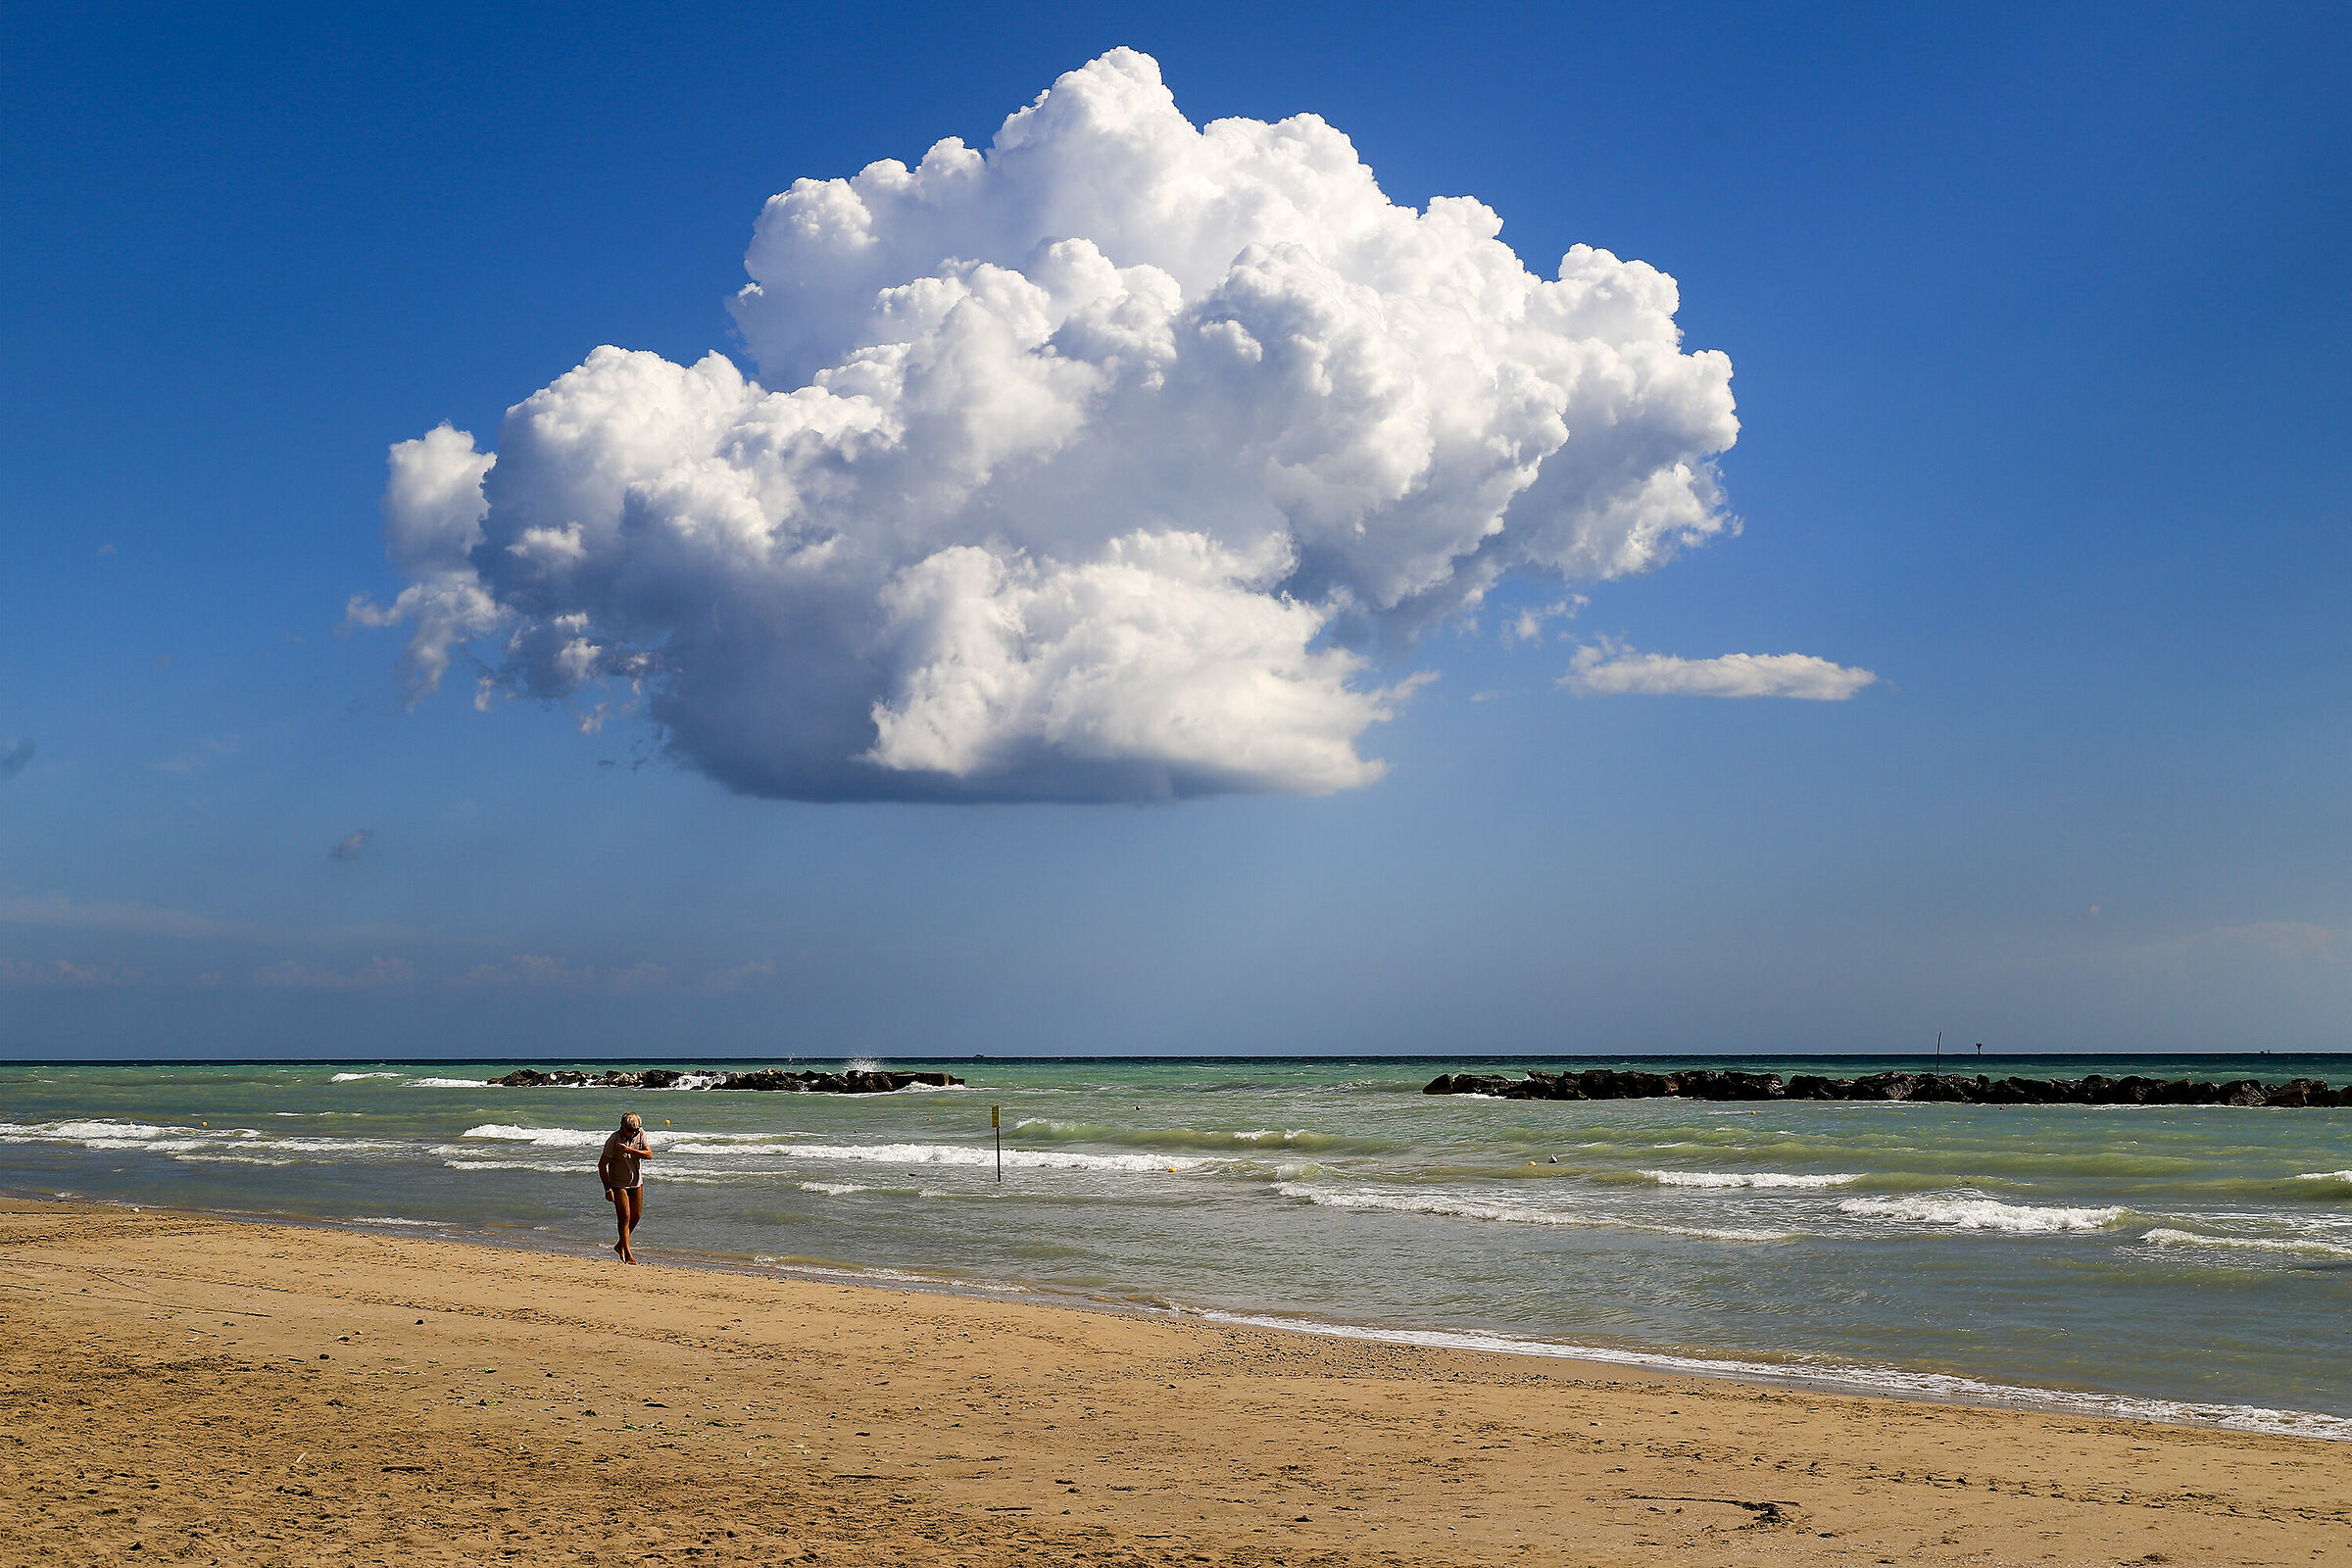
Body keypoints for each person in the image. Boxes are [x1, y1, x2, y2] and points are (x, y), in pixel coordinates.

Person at [598, 1111, 655, 1263]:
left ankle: (620, 1245)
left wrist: (630, 1150)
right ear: (622, 1126)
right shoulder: (613, 1140)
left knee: (636, 1216)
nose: (633, 1133)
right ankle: (628, 1253)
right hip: (618, 1183)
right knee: (625, 1217)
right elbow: (602, 1165)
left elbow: (649, 1154)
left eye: (635, 1130)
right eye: (630, 1130)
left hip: (636, 1182)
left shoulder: (640, 1134)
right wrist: (607, 1188)